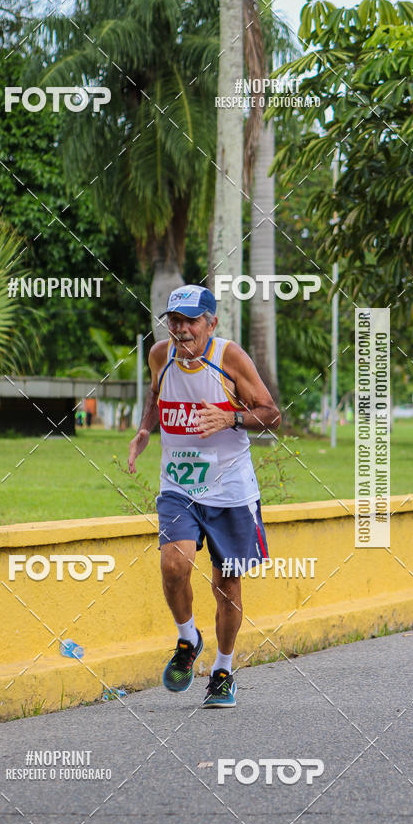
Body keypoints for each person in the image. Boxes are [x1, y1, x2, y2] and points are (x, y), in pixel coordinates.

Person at [128, 285, 281, 707]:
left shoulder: (230, 358)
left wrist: (231, 418)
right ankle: (188, 639)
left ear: (211, 323)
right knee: (173, 564)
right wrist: (145, 428)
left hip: (231, 491)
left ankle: (223, 670)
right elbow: (156, 393)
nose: (181, 329)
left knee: (226, 585)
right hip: (179, 486)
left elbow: (271, 414)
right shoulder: (160, 355)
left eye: (191, 321)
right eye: (174, 321)